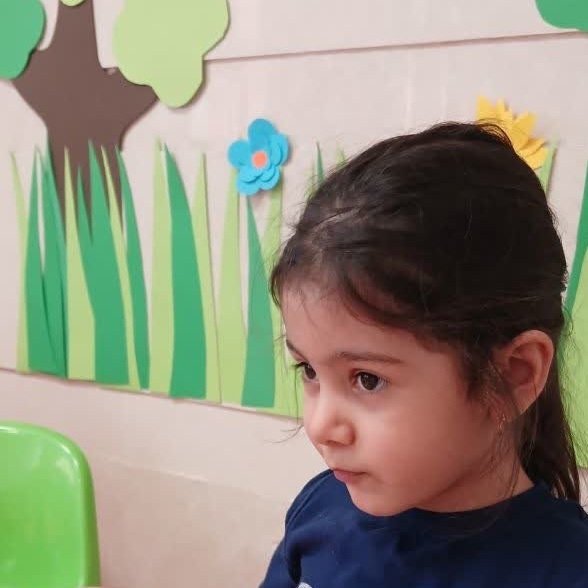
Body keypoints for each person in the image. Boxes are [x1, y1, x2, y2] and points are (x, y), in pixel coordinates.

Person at [260, 122, 588, 587]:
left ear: (514, 374)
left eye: (367, 379)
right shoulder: (320, 510)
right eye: (309, 370)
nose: (320, 427)